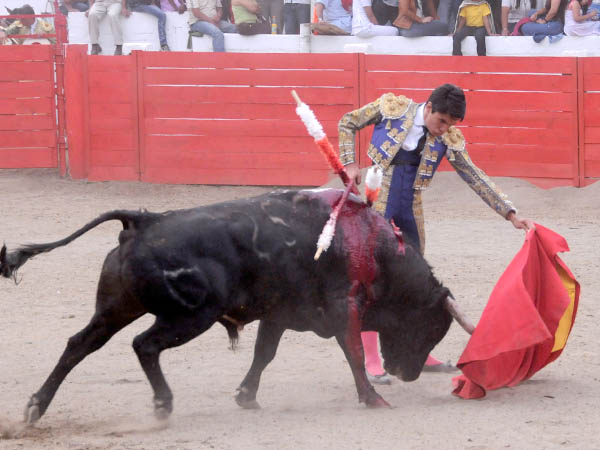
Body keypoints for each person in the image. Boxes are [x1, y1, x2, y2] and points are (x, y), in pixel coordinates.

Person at [338, 84, 534, 381]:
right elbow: (347, 121)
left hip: (410, 210)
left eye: (451, 124)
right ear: (428, 108)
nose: (445, 129)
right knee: (371, 280)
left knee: (414, 283)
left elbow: (474, 175)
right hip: (377, 202)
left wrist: (510, 213)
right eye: (442, 121)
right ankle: (371, 358)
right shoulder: (392, 108)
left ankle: (418, 351)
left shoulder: (449, 138)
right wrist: (350, 163)